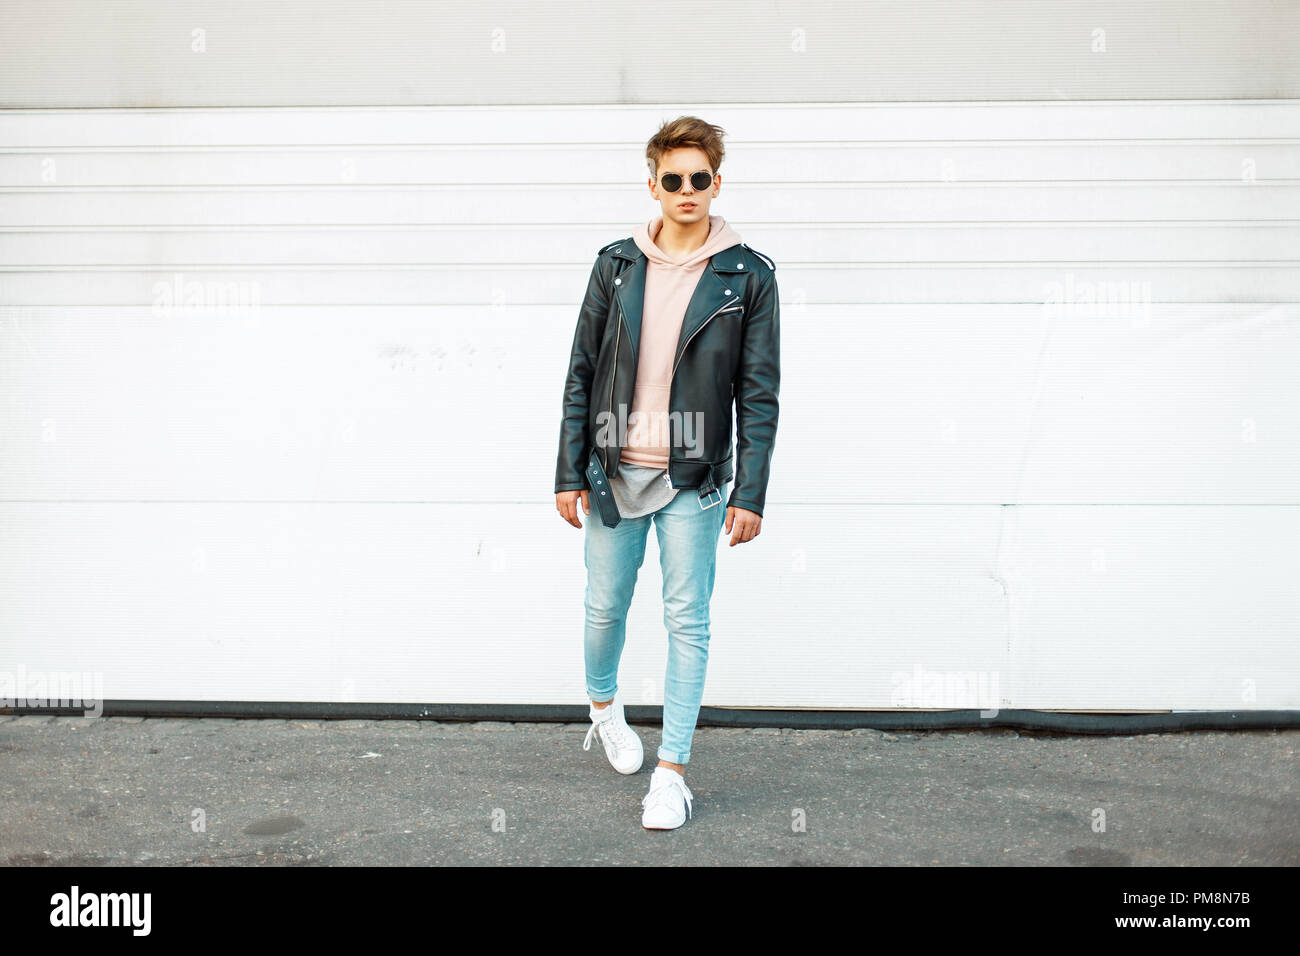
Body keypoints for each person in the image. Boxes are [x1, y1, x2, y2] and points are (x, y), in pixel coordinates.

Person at [553, 116, 780, 829]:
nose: (687, 190)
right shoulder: (615, 264)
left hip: (695, 478)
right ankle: (603, 707)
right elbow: (581, 371)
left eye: (700, 179)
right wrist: (567, 470)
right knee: (603, 610)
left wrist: (750, 490)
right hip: (614, 469)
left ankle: (671, 772)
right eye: (673, 179)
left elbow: (759, 391)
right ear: (652, 185)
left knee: (688, 622)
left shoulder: (748, 275)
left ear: (718, 182)